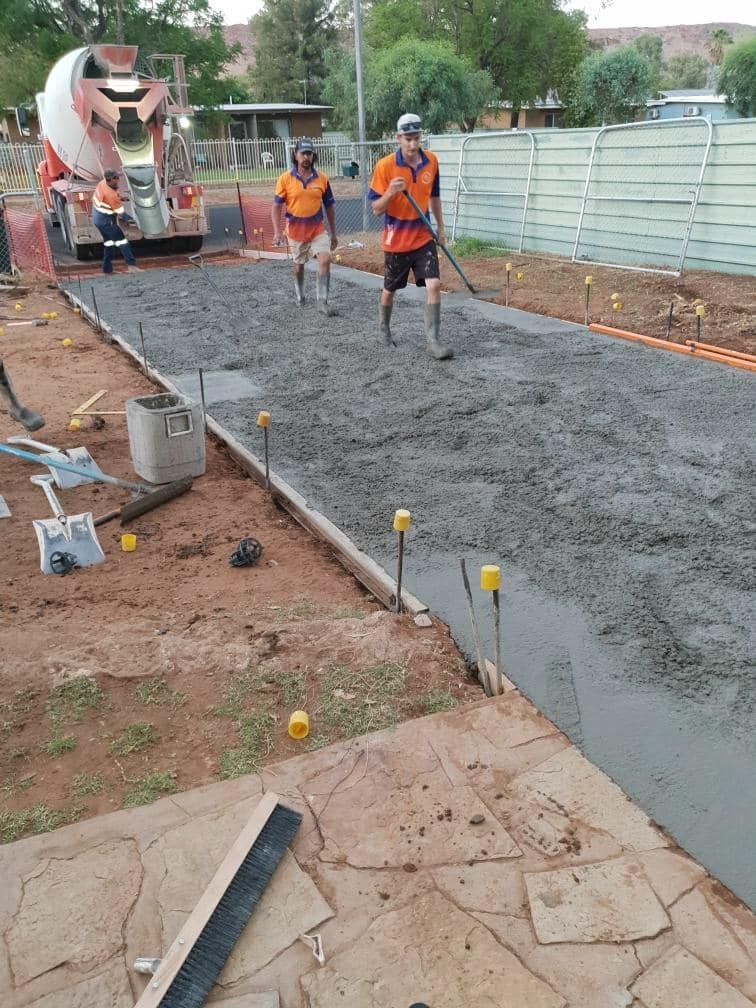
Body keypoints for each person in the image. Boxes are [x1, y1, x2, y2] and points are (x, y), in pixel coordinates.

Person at [369, 113, 452, 360]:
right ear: (398, 138)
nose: (413, 145)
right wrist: (391, 193)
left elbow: (434, 197)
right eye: (408, 139)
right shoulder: (385, 166)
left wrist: (440, 228)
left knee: (434, 284)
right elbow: (375, 209)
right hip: (396, 239)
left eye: (416, 138)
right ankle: (384, 329)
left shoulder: (432, 161)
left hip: (422, 234)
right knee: (390, 288)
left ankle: (433, 341)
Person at [271, 138, 338, 316]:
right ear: (296, 155)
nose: (306, 157)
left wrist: (333, 233)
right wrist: (278, 232)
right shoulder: (285, 179)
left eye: (309, 153)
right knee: (299, 266)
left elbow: (329, 206)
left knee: (324, 260)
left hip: (317, 230)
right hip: (295, 231)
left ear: (313, 155)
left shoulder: (322, 179)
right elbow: (276, 206)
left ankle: (322, 301)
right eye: (303, 154)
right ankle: (300, 295)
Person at [92, 168, 143, 275]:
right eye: (115, 178)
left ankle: (107, 270)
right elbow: (121, 212)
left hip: (98, 218)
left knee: (109, 243)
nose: (118, 180)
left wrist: (121, 198)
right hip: (106, 221)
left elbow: (109, 197)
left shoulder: (103, 183)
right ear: (109, 179)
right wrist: (132, 220)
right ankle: (131, 266)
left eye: (118, 177)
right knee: (122, 242)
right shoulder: (111, 195)